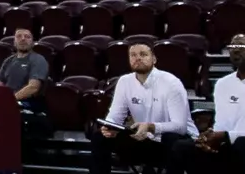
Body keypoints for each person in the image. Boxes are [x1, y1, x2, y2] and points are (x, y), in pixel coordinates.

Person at [90, 43, 196, 174]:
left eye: (143, 54)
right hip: (144, 139)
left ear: (154, 59)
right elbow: (115, 116)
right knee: (99, 137)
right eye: (133, 55)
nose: (138, 58)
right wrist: (109, 127)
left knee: (171, 138)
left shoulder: (171, 83)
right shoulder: (124, 81)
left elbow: (180, 127)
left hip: (176, 142)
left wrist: (150, 127)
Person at [175, 34, 245, 173]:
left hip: (239, 143)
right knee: (181, 147)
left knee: (241, 144)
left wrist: (225, 136)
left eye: (241, 46)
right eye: (232, 47)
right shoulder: (222, 84)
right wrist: (210, 136)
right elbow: (222, 122)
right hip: (226, 142)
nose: (235, 50)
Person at [0, 28, 49, 139]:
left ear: (32, 42)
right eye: (19, 36)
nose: (23, 39)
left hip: (30, 103)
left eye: (27, 37)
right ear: (14, 42)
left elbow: (33, 87)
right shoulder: (8, 61)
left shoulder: (38, 60)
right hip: (9, 102)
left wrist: (9, 101)